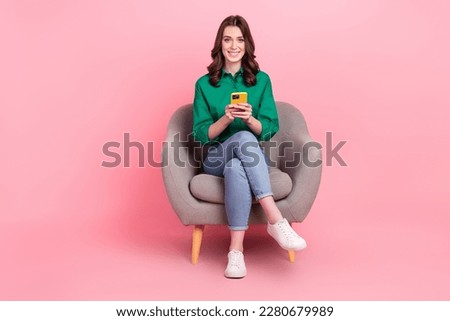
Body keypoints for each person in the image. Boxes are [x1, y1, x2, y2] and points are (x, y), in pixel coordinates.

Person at [192, 15, 306, 279]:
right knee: (240, 143)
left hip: (250, 159)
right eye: (228, 39)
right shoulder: (204, 84)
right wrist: (226, 118)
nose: (234, 46)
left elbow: (269, 128)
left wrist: (249, 118)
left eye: (240, 40)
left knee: (237, 165)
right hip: (215, 158)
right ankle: (275, 220)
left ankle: (236, 252)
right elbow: (201, 135)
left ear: (247, 44)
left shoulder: (262, 80)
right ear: (220, 44)